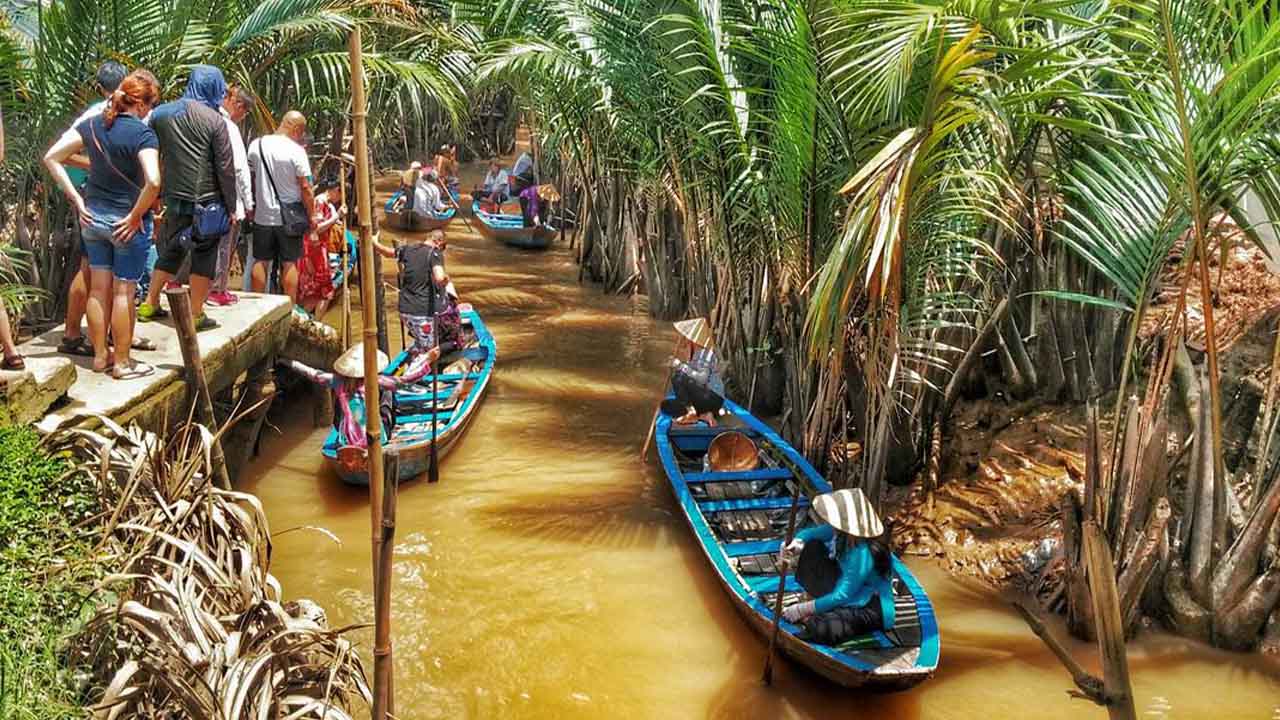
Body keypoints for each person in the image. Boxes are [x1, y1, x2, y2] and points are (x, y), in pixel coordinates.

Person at [44, 70, 161, 378]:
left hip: (92, 217)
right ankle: (122, 363)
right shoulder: (142, 133)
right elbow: (154, 181)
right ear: (142, 104)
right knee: (124, 292)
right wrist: (136, 216)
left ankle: (99, 357)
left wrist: (76, 199)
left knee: (98, 289)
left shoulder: (94, 124)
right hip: (125, 223)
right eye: (151, 104)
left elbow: (52, 157)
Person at [138, 65, 237, 332]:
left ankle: (149, 301)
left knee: (174, 248)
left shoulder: (160, 114)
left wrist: (154, 192)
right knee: (204, 253)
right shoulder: (215, 120)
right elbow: (225, 167)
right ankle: (195, 313)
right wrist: (232, 204)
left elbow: (150, 153)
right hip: (209, 200)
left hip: (174, 196)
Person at [52, 61, 128, 358]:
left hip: (97, 195)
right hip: (93, 195)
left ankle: (94, 334)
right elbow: (62, 153)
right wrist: (97, 165)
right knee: (91, 267)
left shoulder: (110, 111)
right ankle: (74, 333)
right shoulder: (98, 114)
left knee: (95, 267)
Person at [778, 488, 896, 643]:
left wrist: (803, 609)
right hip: (849, 592)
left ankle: (818, 611)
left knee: (821, 627)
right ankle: (820, 605)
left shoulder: (861, 553)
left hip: (869, 606)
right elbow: (813, 533)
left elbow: (843, 595)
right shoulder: (841, 535)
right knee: (812, 546)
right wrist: (797, 542)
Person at [282, 343, 439, 458]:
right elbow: (405, 381)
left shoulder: (338, 381)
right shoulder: (375, 381)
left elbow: (314, 374)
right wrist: (427, 360)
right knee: (388, 395)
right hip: (375, 439)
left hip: (347, 441)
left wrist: (289, 362)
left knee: (343, 403)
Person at [248, 111, 315, 303]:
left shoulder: (256, 145)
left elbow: (251, 178)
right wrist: (313, 216)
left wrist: (253, 204)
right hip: (290, 219)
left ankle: (257, 304)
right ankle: (289, 306)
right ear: (296, 129)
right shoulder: (296, 151)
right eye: (301, 132)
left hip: (262, 216)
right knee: (289, 262)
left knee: (260, 260)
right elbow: (305, 188)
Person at [373, 229, 460, 366]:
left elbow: (386, 252)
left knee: (423, 343)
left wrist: (374, 241)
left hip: (404, 311)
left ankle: (417, 351)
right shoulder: (434, 253)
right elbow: (439, 277)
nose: (441, 251)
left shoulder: (408, 249)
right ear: (438, 242)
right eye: (442, 248)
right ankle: (409, 378)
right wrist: (445, 280)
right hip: (420, 312)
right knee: (430, 353)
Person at [208, 86, 254, 307]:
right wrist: (248, 202)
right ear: (238, 105)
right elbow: (239, 169)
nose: (243, 117)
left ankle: (185, 283)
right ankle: (218, 289)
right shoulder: (228, 127)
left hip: (206, 195)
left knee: (206, 243)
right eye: (244, 112)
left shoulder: (207, 119)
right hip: (228, 199)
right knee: (225, 245)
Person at [298, 181, 340, 319]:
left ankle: (311, 320)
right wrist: (336, 217)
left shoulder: (327, 203)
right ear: (336, 190)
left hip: (318, 249)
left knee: (317, 291)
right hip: (314, 250)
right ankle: (315, 321)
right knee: (323, 291)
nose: (339, 199)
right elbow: (316, 228)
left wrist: (335, 214)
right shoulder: (319, 202)